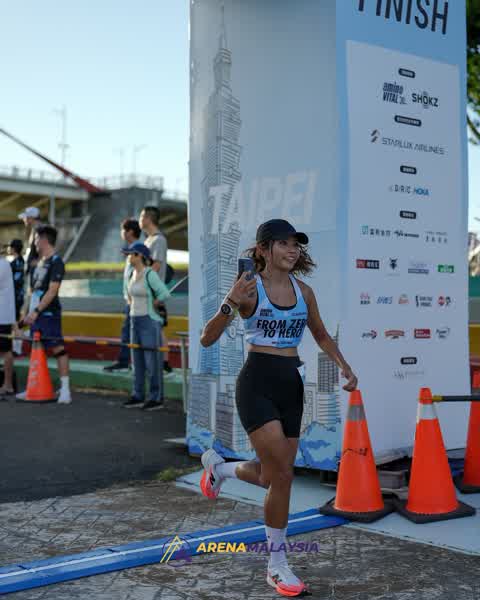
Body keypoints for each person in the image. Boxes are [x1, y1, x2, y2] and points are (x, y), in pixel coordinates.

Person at [198, 219, 358, 597]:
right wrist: (230, 301)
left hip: (291, 385)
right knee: (283, 475)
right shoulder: (249, 289)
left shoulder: (305, 291)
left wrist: (345, 366)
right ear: (264, 249)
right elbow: (206, 339)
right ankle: (277, 565)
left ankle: (219, 468)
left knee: (272, 476)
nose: (292, 250)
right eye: (284, 244)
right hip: (257, 384)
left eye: (296, 245)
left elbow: (320, 334)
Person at [16, 225, 72, 404]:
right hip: (35, 314)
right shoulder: (38, 262)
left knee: (58, 349)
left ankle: (65, 390)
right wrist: (26, 313)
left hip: (49, 314)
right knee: (36, 349)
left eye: (35, 238)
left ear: (43, 240)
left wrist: (36, 311)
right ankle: (34, 386)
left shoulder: (57, 262)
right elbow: (32, 291)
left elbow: (52, 291)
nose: (33, 242)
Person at [122, 242, 170, 411]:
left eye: (131, 254)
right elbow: (127, 294)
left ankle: (156, 398)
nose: (128, 257)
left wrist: (156, 301)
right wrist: (131, 303)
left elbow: (164, 293)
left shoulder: (150, 274)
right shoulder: (131, 274)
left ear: (140, 256)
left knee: (152, 362)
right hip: (134, 320)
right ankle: (138, 395)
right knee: (136, 361)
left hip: (149, 321)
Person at [104, 218, 141, 373]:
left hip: (134, 301)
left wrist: (131, 298)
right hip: (132, 300)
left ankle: (125, 362)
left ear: (129, 232)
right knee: (130, 332)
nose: (121, 233)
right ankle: (128, 362)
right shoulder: (132, 248)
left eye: (123, 230)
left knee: (128, 332)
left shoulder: (137, 249)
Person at [139, 206, 173, 374]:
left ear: (148, 218)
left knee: (157, 328)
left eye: (141, 216)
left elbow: (157, 265)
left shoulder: (158, 240)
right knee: (152, 328)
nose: (139, 220)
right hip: (146, 292)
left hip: (153, 292)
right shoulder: (148, 240)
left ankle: (164, 364)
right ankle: (156, 362)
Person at [0, 253, 16, 398]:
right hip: (4, 314)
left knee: (6, 350)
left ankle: (8, 384)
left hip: (3, 316)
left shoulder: (2, 265)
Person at [6, 239, 25, 356]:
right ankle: (17, 348)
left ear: (13, 248)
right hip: (19, 297)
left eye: (10, 247)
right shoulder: (22, 261)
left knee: (14, 323)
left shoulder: (13, 264)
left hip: (14, 298)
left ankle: (16, 349)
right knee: (16, 322)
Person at [18, 206, 43, 289]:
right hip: (33, 271)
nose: (24, 219)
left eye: (26, 217)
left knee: (36, 294)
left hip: (37, 272)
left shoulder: (40, 229)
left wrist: (39, 261)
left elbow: (45, 250)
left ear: (31, 218)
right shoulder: (35, 229)